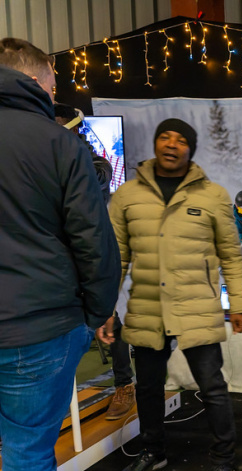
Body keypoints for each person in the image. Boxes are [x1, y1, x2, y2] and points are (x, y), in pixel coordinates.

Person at [0, 37, 120, 471]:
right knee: (27, 449)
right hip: (36, 325)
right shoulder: (56, 142)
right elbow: (94, 241)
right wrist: (97, 312)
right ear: (39, 77)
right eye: (53, 79)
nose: (56, 88)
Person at [97, 118, 242, 471]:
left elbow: (231, 254)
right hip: (148, 306)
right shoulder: (127, 196)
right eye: (165, 136)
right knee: (148, 386)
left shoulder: (212, 196)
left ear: (190, 150)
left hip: (196, 304)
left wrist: (240, 304)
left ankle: (224, 459)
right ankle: (153, 452)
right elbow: (116, 257)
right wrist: (103, 308)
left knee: (212, 386)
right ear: (155, 143)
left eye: (181, 140)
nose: (171, 144)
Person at [54, 102, 136, 420]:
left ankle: (123, 385)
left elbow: (84, 198)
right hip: (58, 261)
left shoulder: (95, 165)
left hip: (92, 255)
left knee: (108, 317)